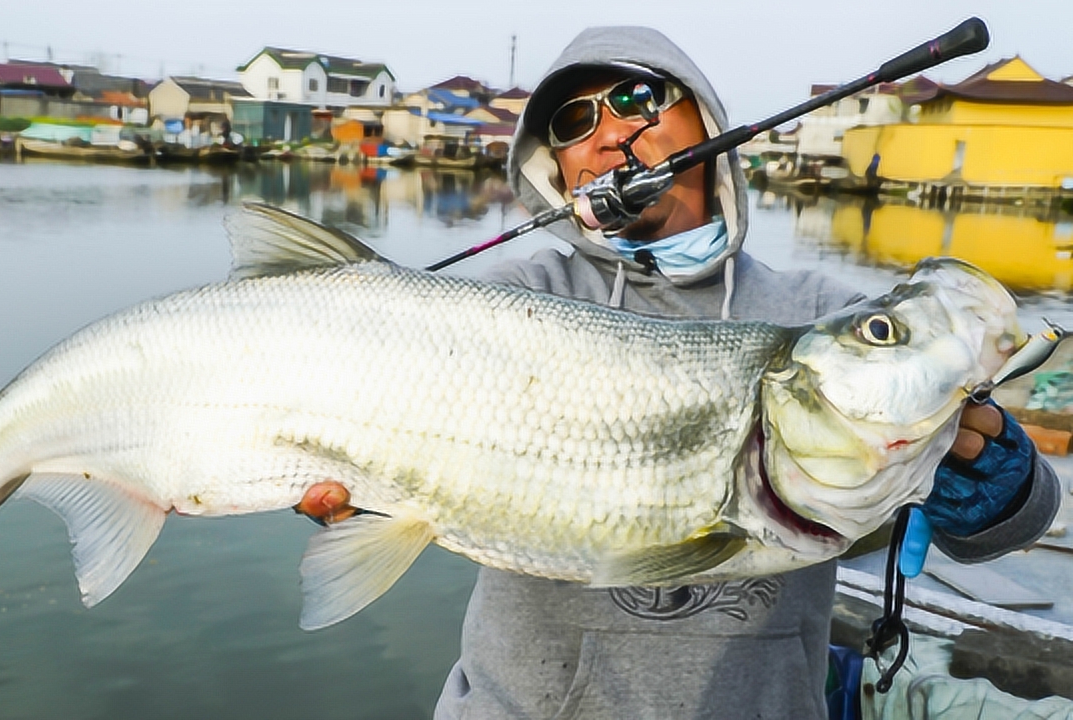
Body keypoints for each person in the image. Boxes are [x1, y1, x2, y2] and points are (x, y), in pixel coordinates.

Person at [296, 26, 1061, 719]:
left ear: (706, 121)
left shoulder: (823, 313)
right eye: (574, 124)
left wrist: (985, 476)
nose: (612, 132)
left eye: (637, 97)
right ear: (558, 171)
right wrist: (361, 490)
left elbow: (1014, 527)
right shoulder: (515, 301)